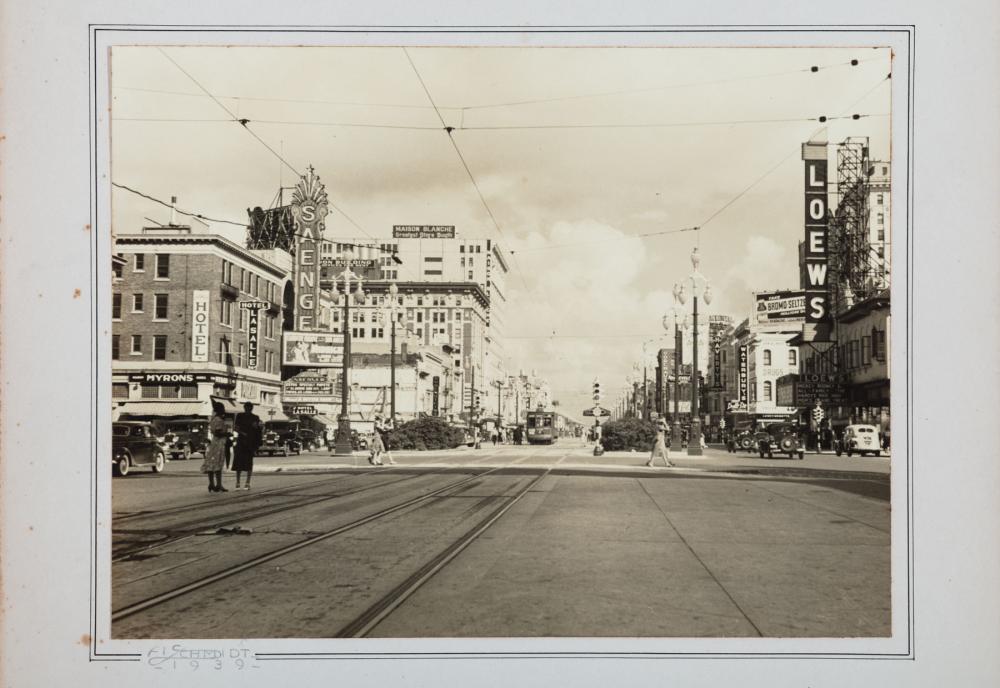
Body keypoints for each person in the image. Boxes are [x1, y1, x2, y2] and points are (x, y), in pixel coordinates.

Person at [232, 402, 262, 490]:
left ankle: (247, 482)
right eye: (246, 408)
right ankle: (238, 482)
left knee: (249, 462)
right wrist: (243, 433)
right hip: (241, 441)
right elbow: (236, 428)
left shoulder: (255, 417)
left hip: (250, 442)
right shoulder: (240, 416)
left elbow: (257, 430)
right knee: (238, 463)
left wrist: (256, 428)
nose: (248, 409)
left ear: (251, 408)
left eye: (249, 408)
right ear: (244, 408)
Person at [201, 401, 229, 493]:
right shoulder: (219, 420)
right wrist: (227, 434)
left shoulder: (213, 419)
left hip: (213, 443)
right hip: (219, 443)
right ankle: (219, 484)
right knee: (218, 464)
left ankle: (211, 484)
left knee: (211, 464)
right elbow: (218, 432)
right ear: (220, 409)